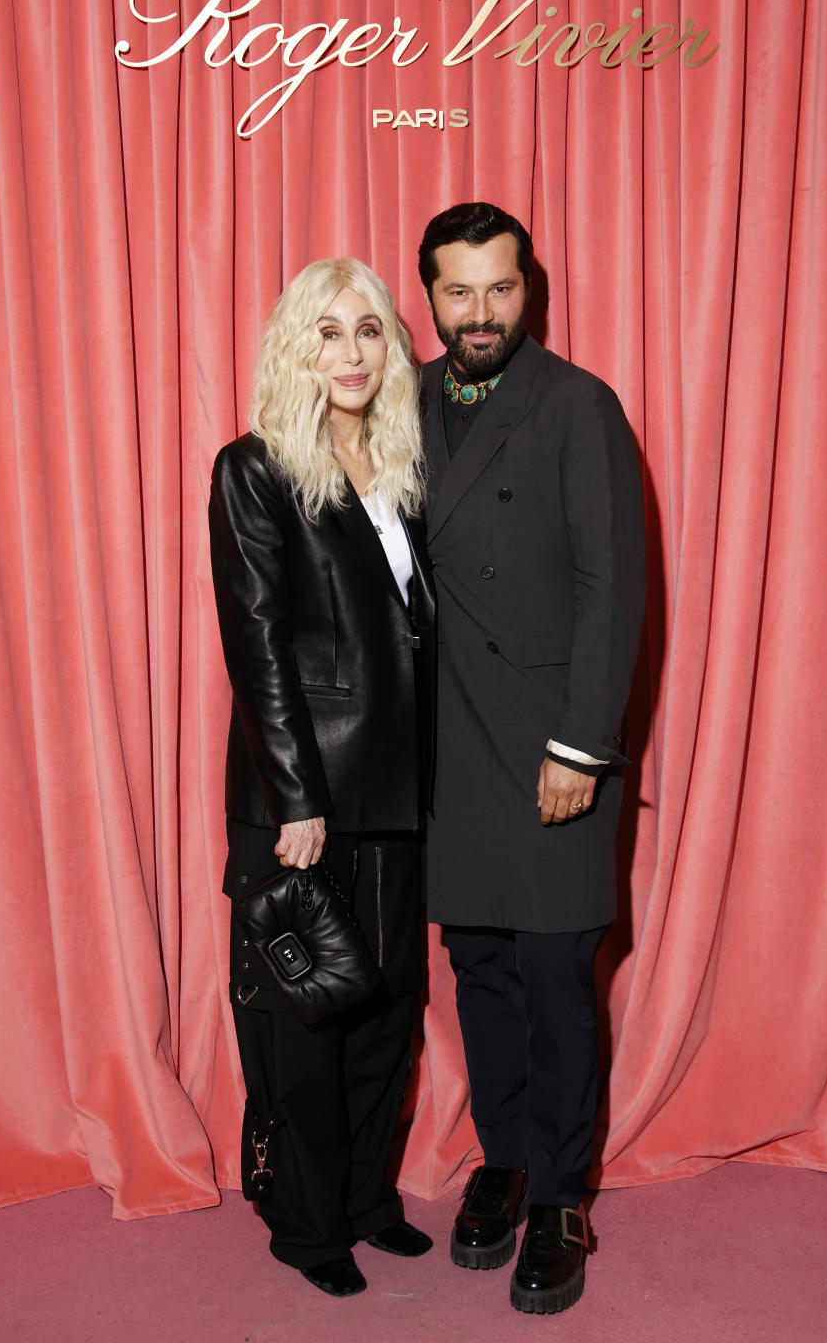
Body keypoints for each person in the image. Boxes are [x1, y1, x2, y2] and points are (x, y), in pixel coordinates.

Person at [418, 203, 646, 1314]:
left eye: (498, 289)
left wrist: (583, 747)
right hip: (451, 744)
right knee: (483, 971)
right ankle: (503, 1159)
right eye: (457, 292)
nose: (478, 313)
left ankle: (562, 1194)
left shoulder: (576, 405)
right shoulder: (402, 397)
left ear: (530, 290)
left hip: (553, 741)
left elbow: (614, 587)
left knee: (558, 978)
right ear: (429, 297)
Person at [208, 258, 435, 1298]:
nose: (352, 353)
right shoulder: (254, 469)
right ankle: (307, 1227)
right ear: (298, 346)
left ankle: (367, 1202)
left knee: (387, 1002)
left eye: (371, 332)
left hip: (400, 789)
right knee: (305, 1017)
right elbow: (256, 645)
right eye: (330, 332)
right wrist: (295, 797)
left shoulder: (401, 462)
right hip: (300, 798)